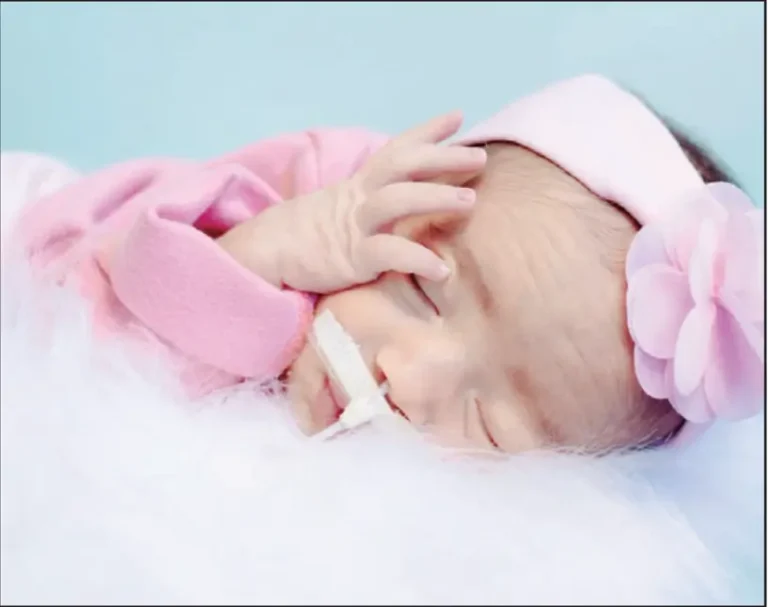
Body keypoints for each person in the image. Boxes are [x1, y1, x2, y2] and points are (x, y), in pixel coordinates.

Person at [4, 74, 763, 454]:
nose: (409, 378)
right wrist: (269, 254)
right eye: (421, 295)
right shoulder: (331, 205)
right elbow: (107, 316)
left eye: (491, 425)